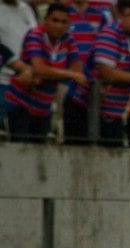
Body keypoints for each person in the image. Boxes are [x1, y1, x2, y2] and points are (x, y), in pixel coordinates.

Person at [63, 0, 130, 146]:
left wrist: (124, 77)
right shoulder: (109, 33)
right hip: (83, 105)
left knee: (113, 157)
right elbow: (106, 72)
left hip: (114, 110)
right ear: (120, 16)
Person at [5, 2, 85, 143]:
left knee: (39, 156)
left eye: (63, 22)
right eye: (55, 20)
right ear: (45, 20)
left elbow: (77, 71)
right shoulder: (35, 35)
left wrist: (47, 75)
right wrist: (66, 74)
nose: (59, 25)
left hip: (43, 107)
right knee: (21, 152)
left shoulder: (69, 39)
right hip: (21, 104)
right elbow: (40, 69)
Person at [0, 0, 37, 132]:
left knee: (23, 135)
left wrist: (31, 70)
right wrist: (21, 68)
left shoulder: (26, 9)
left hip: (27, 82)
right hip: (3, 81)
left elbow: (35, 39)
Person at [66, 0, 109, 65]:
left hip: (93, 71)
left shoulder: (100, 16)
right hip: (70, 71)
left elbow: (104, 47)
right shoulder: (62, 15)